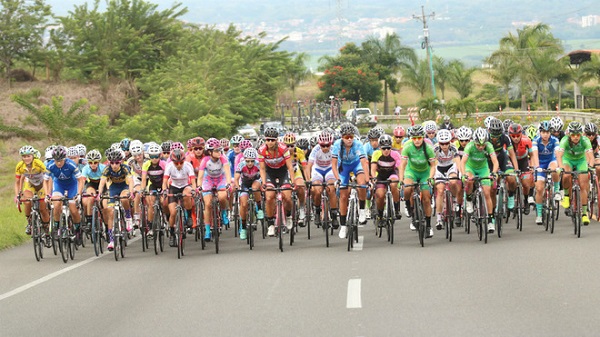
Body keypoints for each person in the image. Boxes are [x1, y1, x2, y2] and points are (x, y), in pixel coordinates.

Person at [331, 123, 371, 239]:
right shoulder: (337, 145)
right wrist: (337, 179)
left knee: (361, 184)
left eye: (351, 136)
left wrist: (367, 180)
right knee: (343, 195)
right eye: (346, 137)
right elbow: (333, 164)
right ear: (342, 137)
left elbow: (364, 163)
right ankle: (343, 225)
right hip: (343, 167)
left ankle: (362, 210)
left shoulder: (358, 144)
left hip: (356, 165)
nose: (349, 139)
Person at [398, 125, 437, 238]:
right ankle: (409, 207)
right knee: (407, 188)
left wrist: (430, 178)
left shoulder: (428, 148)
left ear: (423, 138)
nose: (416, 140)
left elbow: (433, 166)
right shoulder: (407, 146)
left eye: (419, 138)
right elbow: (402, 165)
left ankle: (429, 226)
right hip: (412, 172)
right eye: (414, 138)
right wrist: (401, 180)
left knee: (426, 199)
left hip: (425, 173)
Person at [258, 127, 296, 237]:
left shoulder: (283, 148)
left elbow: (289, 166)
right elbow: (262, 169)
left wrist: (292, 182)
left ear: (276, 140)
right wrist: (264, 183)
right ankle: (270, 224)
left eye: (272, 140)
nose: (270, 142)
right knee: (269, 197)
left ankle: (288, 216)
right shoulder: (261, 150)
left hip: (282, 172)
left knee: (287, 197)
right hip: (270, 172)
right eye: (268, 140)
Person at [460, 128, 499, 233]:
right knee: (469, 180)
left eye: (483, 145)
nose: (481, 147)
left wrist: (494, 173)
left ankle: (490, 220)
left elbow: (495, 162)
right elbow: (462, 162)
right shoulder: (469, 146)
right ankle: (468, 199)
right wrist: (464, 175)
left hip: (483, 169)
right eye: (478, 145)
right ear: (474, 142)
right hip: (470, 167)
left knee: (487, 192)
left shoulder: (489, 146)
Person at [45, 146, 85, 244]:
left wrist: (78, 194)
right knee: (56, 204)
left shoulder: (71, 164)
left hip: (72, 185)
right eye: (56, 160)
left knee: (73, 210)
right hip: (59, 185)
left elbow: (80, 180)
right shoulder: (50, 165)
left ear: (65, 159)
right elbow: (45, 180)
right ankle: (57, 226)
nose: (58, 163)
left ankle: (77, 229)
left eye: (61, 161)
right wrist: (47, 194)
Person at [556, 122, 594, 225]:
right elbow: (559, 155)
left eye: (578, 135)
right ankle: (567, 196)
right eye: (573, 135)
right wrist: (560, 167)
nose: (576, 137)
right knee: (566, 174)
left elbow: (591, 156)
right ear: (569, 134)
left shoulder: (585, 140)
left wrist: (590, 166)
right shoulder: (564, 140)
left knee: (583, 185)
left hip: (581, 161)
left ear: (581, 134)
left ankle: (584, 214)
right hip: (567, 160)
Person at [96, 148, 135, 250]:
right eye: (112, 163)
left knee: (124, 198)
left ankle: (128, 217)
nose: (114, 165)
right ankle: (112, 239)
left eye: (117, 163)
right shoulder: (107, 169)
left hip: (124, 187)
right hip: (113, 188)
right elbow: (102, 182)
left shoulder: (125, 168)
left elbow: (130, 181)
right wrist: (99, 193)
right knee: (110, 212)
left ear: (121, 162)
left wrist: (131, 192)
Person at [197, 138, 230, 241]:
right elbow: (200, 176)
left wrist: (228, 183)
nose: (219, 152)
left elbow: (228, 173)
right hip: (208, 179)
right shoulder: (205, 160)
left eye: (220, 150)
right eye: (216, 151)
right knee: (207, 204)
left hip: (221, 178)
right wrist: (199, 186)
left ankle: (224, 212)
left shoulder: (223, 158)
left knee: (222, 196)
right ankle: (207, 230)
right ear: (210, 152)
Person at [163, 149, 197, 246]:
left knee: (187, 194)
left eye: (181, 162)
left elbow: (193, 181)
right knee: (173, 212)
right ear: (172, 162)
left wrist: (193, 190)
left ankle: (189, 216)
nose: (179, 165)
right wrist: (165, 190)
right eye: (176, 163)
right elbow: (164, 181)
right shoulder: (169, 166)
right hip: (173, 187)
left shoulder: (188, 166)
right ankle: (172, 234)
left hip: (185, 186)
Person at [306, 130, 339, 229]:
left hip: (330, 169)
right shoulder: (315, 150)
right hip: (318, 170)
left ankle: (334, 216)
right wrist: (308, 180)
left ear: (331, 144)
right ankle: (317, 212)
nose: (325, 148)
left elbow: (339, 165)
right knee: (317, 190)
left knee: (331, 189)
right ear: (319, 144)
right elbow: (309, 166)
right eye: (322, 146)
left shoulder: (334, 150)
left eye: (327, 145)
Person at [15, 145, 51, 236]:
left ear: (32, 156)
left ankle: (46, 227)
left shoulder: (38, 163)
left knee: (43, 209)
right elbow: (17, 181)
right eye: (24, 156)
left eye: (28, 156)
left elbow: (48, 178)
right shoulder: (20, 166)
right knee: (27, 202)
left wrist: (48, 193)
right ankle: (29, 223)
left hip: (41, 185)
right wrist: (17, 195)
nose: (26, 158)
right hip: (30, 185)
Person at [530, 121, 561, 225]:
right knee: (539, 189)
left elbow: (557, 153)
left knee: (554, 169)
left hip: (551, 160)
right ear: (540, 132)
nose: (546, 134)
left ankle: (556, 190)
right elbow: (534, 155)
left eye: (547, 132)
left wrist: (560, 166)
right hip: (540, 164)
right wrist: (537, 167)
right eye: (543, 132)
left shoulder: (555, 140)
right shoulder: (535, 141)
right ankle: (539, 214)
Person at [432, 129, 462, 230]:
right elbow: (433, 164)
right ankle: (439, 218)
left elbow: (458, 161)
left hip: (450, 167)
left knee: (453, 182)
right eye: (442, 143)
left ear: (450, 142)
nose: (444, 146)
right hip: (439, 167)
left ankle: (454, 199)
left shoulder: (453, 148)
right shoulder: (435, 149)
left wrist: (461, 173)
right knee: (440, 190)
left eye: (446, 143)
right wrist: (434, 176)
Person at [370, 134, 402, 227]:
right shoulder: (376, 154)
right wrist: (374, 177)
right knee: (380, 195)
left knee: (393, 185)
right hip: (380, 176)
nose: (386, 150)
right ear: (380, 148)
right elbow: (373, 169)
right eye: (384, 148)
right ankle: (380, 216)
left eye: (388, 148)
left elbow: (400, 168)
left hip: (392, 173)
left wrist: (401, 180)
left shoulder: (395, 154)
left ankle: (396, 209)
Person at [233, 148, 263, 240]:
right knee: (244, 204)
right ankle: (243, 227)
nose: (250, 163)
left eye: (252, 161)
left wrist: (263, 184)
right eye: (248, 161)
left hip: (256, 180)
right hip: (245, 184)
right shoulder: (241, 165)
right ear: (244, 160)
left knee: (255, 188)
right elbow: (236, 178)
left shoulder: (258, 164)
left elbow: (263, 175)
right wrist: (237, 187)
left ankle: (259, 208)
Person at [80, 149, 106, 232]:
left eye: (95, 162)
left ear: (99, 162)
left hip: (103, 183)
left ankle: (105, 222)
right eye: (90, 162)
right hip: (91, 183)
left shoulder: (103, 168)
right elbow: (83, 181)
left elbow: (106, 181)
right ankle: (89, 221)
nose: (93, 164)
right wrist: (79, 193)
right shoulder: (85, 168)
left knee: (103, 203)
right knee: (90, 198)